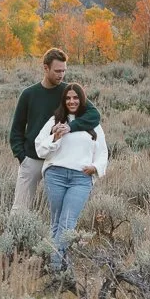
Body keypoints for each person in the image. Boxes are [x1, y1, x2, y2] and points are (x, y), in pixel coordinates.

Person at [9, 47, 100, 212]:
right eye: (57, 71)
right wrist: (22, 157)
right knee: (20, 209)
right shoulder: (29, 94)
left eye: (64, 71)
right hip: (32, 159)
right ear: (45, 68)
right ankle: (18, 237)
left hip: (60, 160)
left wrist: (70, 127)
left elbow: (94, 115)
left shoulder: (68, 93)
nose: (61, 75)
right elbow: (16, 130)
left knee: (61, 210)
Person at [34, 82, 107, 272]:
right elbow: (40, 149)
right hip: (55, 174)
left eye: (75, 97)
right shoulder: (55, 120)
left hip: (80, 178)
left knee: (67, 222)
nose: (72, 101)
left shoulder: (92, 123)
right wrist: (55, 137)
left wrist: (96, 167)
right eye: (68, 98)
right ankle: (61, 266)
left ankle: (56, 268)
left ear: (82, 99)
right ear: (63, 101)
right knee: (57, 222)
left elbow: (102, 152)